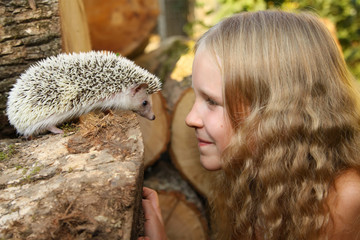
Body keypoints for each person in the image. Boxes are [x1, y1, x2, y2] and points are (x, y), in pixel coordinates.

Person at [139, 10, 360, 240]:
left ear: (276, 111)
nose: (191, 118)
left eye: (212, 101)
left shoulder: (344, 201)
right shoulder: (259, 180)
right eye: (196, 97)